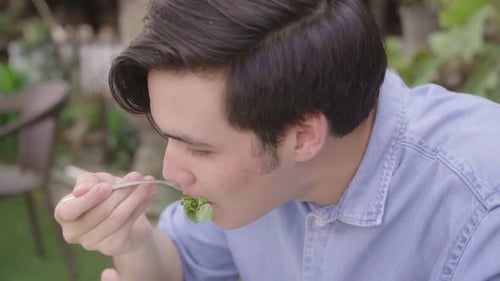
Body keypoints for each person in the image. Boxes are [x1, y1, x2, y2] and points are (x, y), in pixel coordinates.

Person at [54, 0, 500, 280]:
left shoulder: (481, 209)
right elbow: (179, 265)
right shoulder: (246, 186)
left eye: (200, 148)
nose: (171, 171)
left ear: (303, 137)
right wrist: (132, 240)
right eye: (168, 138)